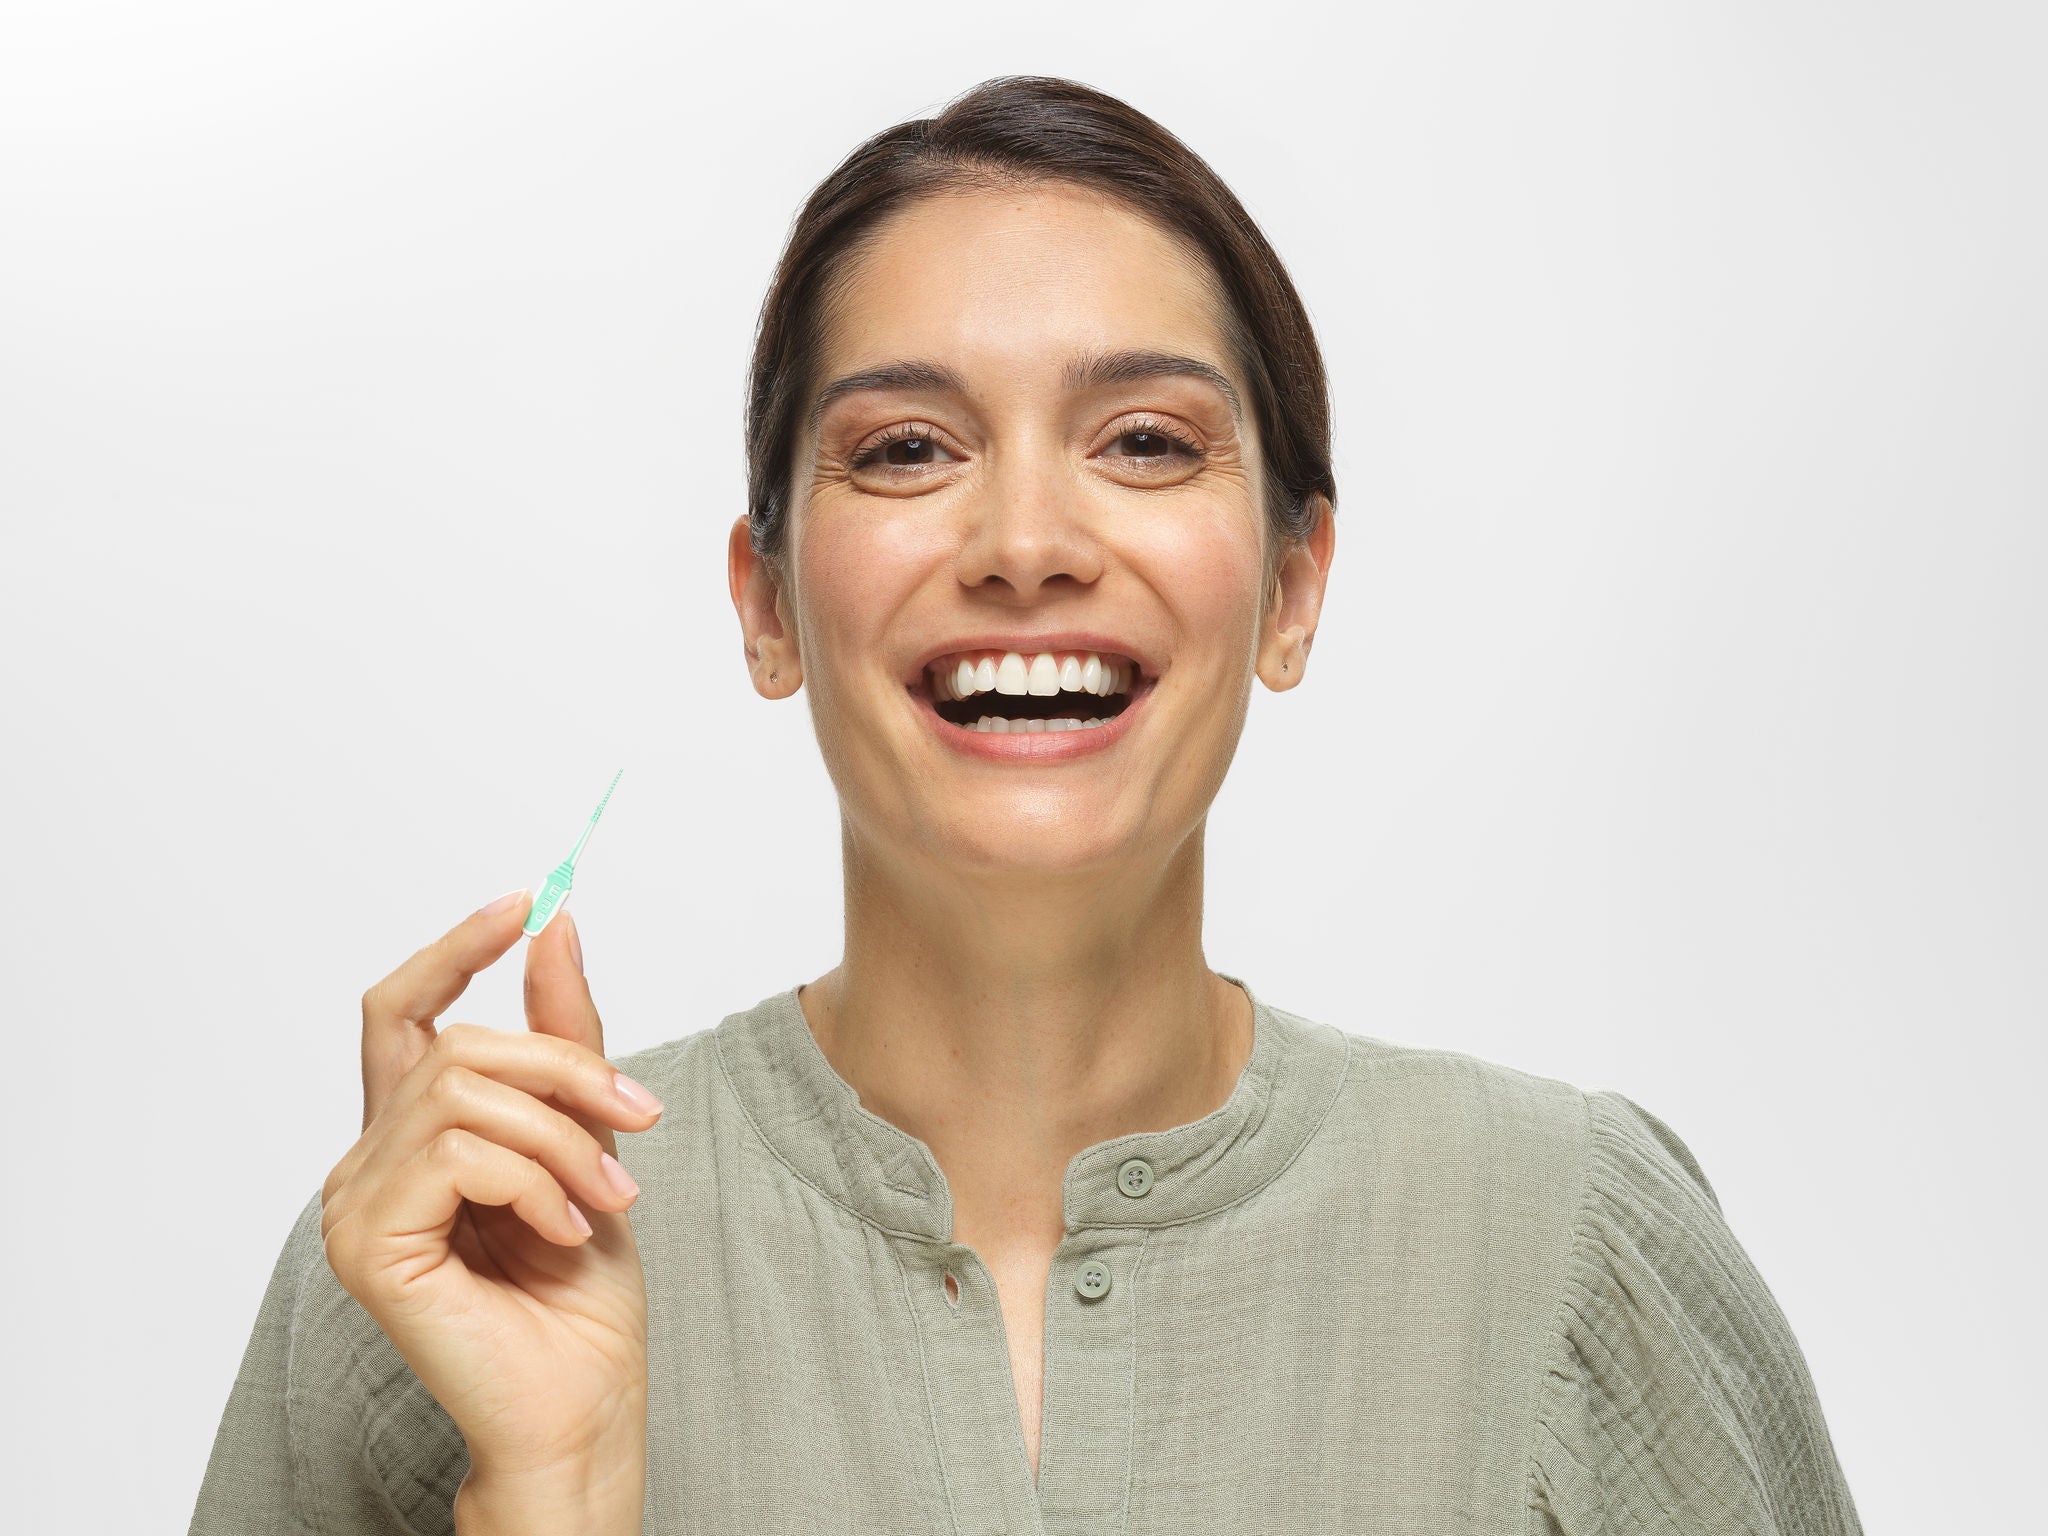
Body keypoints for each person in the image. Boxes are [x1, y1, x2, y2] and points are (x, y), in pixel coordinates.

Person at [190, 75, 1864, 1535]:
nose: (1025, 541)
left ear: (1294, 585)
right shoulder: (447, 1261)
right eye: (908, 450)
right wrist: (552, 1496)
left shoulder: (1568, 1246)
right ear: (766, 604)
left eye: (1143, 442)